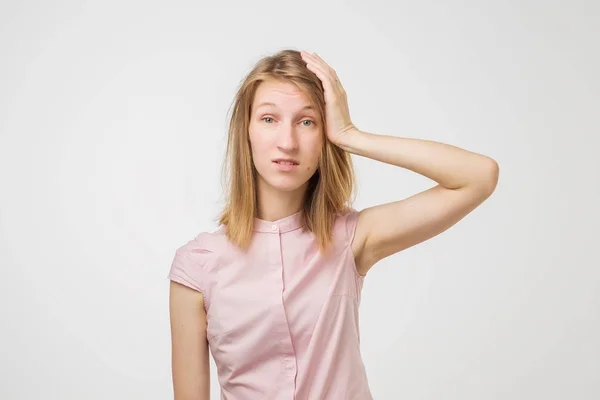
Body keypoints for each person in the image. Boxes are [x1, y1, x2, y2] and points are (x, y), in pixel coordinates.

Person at [167, 49, 499, 400]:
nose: (288, 142)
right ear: (245, 132)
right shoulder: (197, 265)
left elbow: (479, 176)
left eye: (306, 121)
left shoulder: (351, 238)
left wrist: (352, 135)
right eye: (269, 119)